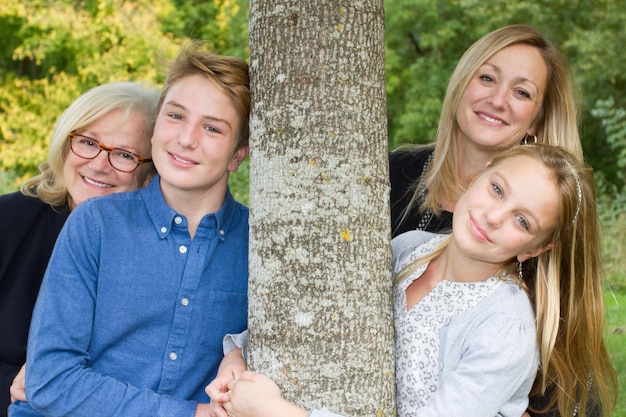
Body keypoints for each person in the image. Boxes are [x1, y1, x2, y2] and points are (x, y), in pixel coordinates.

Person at [213, 144, 617, 417]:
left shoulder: (504, 327)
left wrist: (280, 413)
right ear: (478, 178)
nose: (494, 216)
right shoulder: (409, 248)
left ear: (534, 249)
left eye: (522, 220)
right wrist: (237, 357)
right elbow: (324, 312)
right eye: (497, 189)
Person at [8, 41, 251, 417]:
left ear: (238, 153)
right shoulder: (95, 224)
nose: (187, 139)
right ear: (154, 133)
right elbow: (50, 380)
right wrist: (193, 414)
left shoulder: (257, 243)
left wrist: (240, 351)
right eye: (175, 116)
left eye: (213, 128)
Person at [388, 25, 617, 416]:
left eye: (522, 92)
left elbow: (575, 373)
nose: (497, 99)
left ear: (537, 121)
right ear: (462, 82)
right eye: (488, 77)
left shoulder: (548, 222)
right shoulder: (395, 175)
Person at [0, 81, 158, 417]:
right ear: (64, 146)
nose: (100, 165)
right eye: (88, 142)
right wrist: (7, 384)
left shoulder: (161, 250)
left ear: (149, 175)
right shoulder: (7, 221)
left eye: (125, 154)